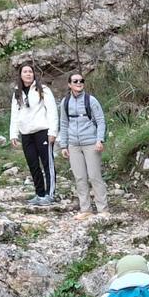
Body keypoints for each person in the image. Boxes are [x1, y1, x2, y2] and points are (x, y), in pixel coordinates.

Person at [57, 72, 108, 216]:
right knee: (80, 178)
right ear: (69, 84)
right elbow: (64, 123)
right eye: (75, 81)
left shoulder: (91, 100)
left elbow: (101, 121)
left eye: (81, 80)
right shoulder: (65, 102)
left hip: (91, 143)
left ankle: (103, 209)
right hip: (73, 145)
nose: (79, 83)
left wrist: (100, 139)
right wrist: (64, 145)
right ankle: (85, 209)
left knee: (94, 176)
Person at [9, 62, 58, 206]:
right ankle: (39, 193)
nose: (28, 74)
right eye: (25, 72)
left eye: (30, 71)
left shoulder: (42, 89)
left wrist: (53, 131)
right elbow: (15, 114)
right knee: (33, 164)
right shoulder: (17, 92)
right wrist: (13, 134)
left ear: (34, 74)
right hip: (26, 133)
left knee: (47, 163)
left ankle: (50, 194)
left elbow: (52, 111)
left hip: (43, 131)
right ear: (20, 75)